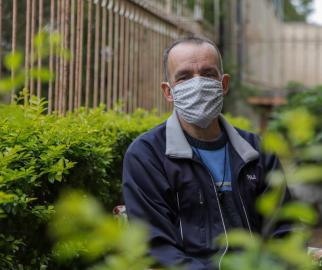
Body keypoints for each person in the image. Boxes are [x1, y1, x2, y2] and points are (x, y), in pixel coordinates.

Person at [122, 36, 290, 270]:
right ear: (168, 92)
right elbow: (155, 247)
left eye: (208, 74)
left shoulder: (258, 151)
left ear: (223, 84)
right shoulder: (147, 155)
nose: (198, 84)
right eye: (184, 77)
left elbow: (285, 229)